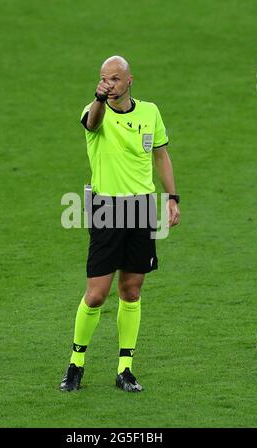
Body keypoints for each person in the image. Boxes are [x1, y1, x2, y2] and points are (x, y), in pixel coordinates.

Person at [60, 55, 180, 393]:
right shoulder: (94, 109)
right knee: (97, 294)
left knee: (131, 289)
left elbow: (161, 154)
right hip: (106, 208)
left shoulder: (150, 112)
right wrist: (98, 99)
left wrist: (172, 197)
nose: (108, 85)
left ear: (129, 81)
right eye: (103, 79)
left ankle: (125, 369)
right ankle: (76, 363)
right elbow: (92, 124)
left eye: (114, 79)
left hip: (141, 207)